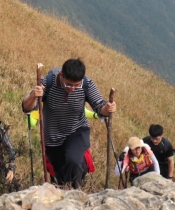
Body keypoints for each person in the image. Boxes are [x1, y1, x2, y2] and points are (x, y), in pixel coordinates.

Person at [22, 57, 116, 188]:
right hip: (52, 138)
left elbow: (100, 107)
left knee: (73, 160)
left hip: (76, 131)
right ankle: (63, 190)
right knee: (60, 173)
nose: (72, 88)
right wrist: (33, 95)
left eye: (76, 85)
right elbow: (26, 108)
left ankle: (72, 194)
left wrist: (108, 108)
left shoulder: (87, 84)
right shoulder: (47, 83)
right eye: (68, 84)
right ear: (61, 76)